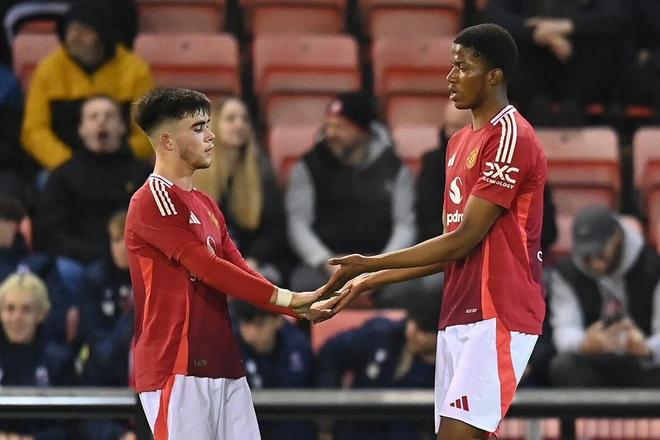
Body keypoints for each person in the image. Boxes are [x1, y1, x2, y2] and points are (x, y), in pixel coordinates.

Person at [321, 24, 547, 440]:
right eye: (451, 66)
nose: (451, 77)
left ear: (494, 76)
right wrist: (370, 279)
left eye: (463, 67)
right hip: (457, 310)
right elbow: (449, 249)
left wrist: (371, 262)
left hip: (500, 311)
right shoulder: (457, 143)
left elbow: (465, 238)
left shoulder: (511, 136)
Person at [126, 87, 334, 439]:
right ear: (167, 141)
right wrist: (289, 300)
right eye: (198, 128)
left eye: (208, 126)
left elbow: (239, 270)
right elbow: (209, 269)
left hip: (222, 361)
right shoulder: (152, 200)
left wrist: (295, 306)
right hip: (175, 364)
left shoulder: (206, 203)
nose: (211, 136)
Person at [286, 91, 417, 307]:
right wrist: (325, 261)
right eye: (328, 126)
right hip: (326, 264)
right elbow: (298, 223)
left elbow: (405, 226)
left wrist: (378, 266)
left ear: (363, 131)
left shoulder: (394, 168)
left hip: (379, 262)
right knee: (303, 285)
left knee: (407, 289)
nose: (330, 134)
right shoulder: (310, 165)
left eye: (340, 127)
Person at [21, 0, 153, 171]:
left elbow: (148, 130)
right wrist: (67, 164)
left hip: (121, 165)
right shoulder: (49, 70)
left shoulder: (136, 70)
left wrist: (121, 157)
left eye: (83, 31)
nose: (73, 37)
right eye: (70, 30)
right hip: (63, 168)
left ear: (102, 34)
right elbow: (34, 130)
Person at [548, 206, 660, 387]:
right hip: (595, 360)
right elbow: (565, 328)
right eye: (586, 256)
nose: (594, 263)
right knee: (562, 366)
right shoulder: (567, 273)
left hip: (643, 362)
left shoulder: (653, 267)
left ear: (616, 238)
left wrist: (646, 347)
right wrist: (585, 343)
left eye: (599, 253)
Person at [318, 290, 441, 440]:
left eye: (423, 332)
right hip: (358, 430)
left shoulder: (447, 370)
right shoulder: (381, 334)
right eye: (413, 323)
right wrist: (329, 417)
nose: (412, 332)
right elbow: (330, 354)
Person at [193, 97, 291, 285]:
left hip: (254, 262)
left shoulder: (261, 170)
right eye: (231, 119)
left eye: (244, 119)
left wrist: (253, 260)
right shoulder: (194, 172)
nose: (239, 125)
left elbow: (275, 229)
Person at [484, 0, 626, 125]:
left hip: (579, 62)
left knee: (604, 44)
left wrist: (567, 26)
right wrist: (536, 34)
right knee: (508, 44)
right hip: (532, 65)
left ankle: (574, 111)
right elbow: (494, 15)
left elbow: (615, 15)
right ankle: (535, 112)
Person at [0, 271, 76, 439]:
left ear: (41, 314)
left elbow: (71, 427)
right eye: (10, 308)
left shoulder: (59, 361)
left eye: (26, 310)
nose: (16, 318)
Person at [231, 300, 316, 440]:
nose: (251, 332)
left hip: (289, 427)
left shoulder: (298, 347)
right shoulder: (228, 350)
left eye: (259, 324)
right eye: (246, 324)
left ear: (278, 320)